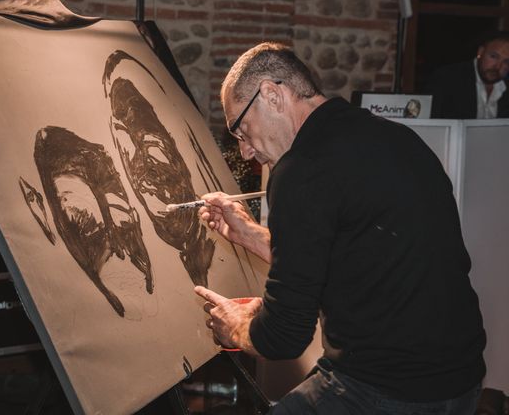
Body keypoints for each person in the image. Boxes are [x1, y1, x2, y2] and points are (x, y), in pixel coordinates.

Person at [194, 42, 486, 414]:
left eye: (241, 128)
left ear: (272, 95)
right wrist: (250, 234)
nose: (246, 151)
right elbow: (353, 255)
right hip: (460, 380)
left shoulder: (301, 169)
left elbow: (283, 339)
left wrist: (236, 326)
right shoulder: (392, 137)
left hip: (385, 388)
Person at [425, 31, 509, 119]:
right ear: (480, 52)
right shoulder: (448, 78)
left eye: (506, 62)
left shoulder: (506, 86)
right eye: (493, 56)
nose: (498, 66)